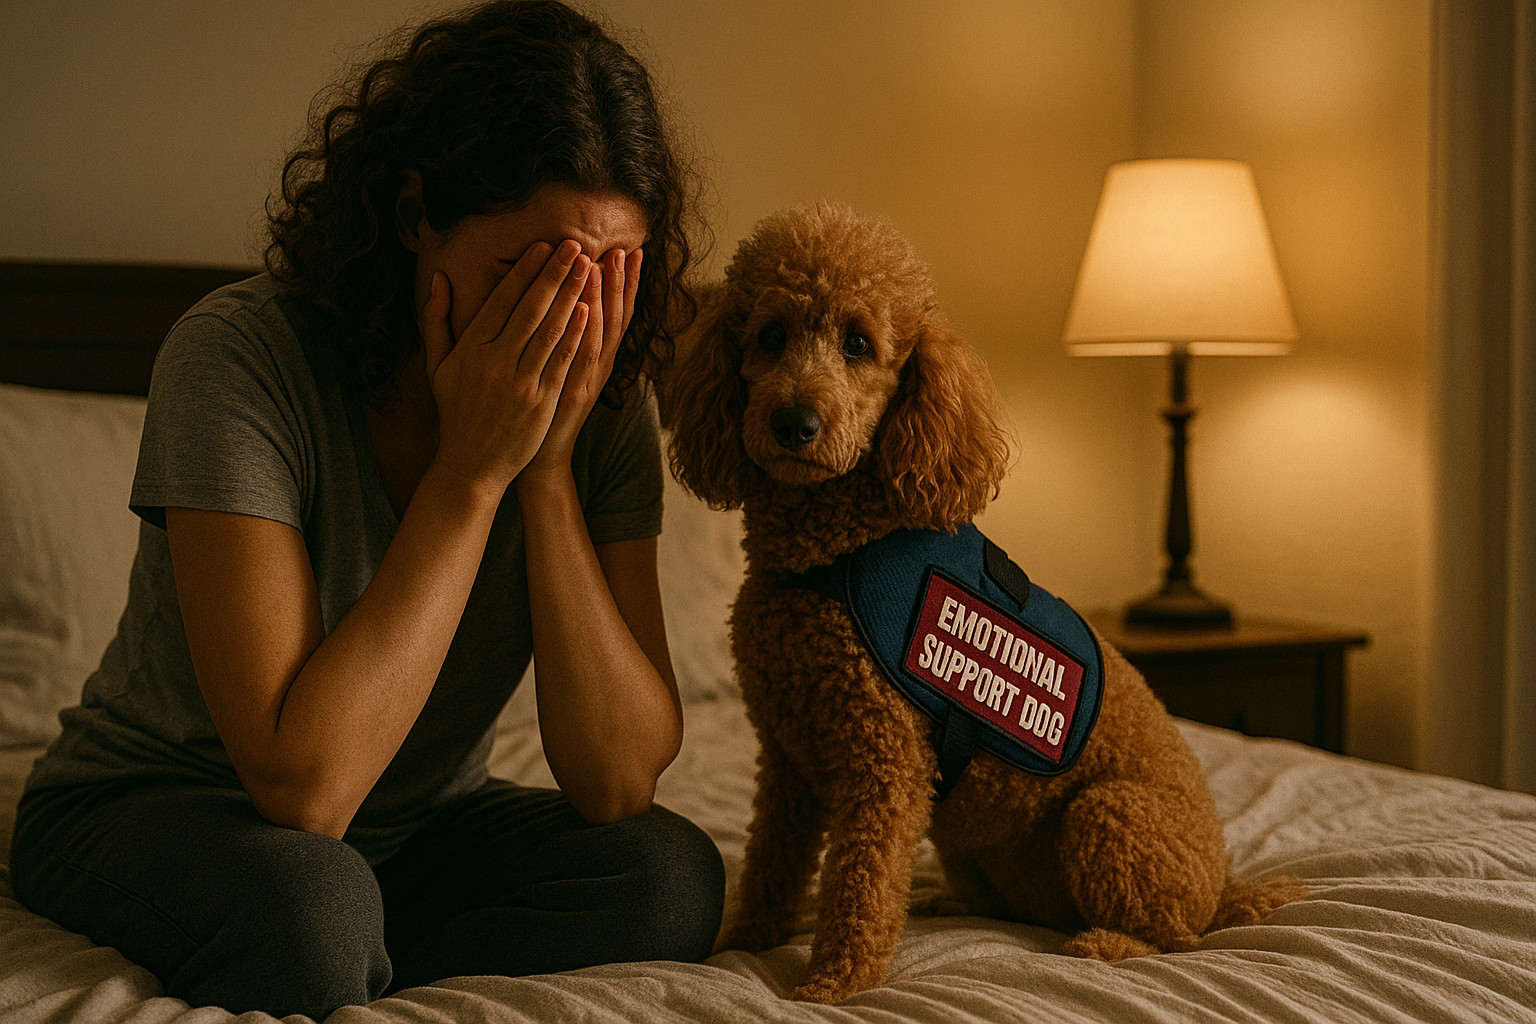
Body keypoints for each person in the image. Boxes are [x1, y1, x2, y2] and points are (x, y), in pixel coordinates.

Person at [8, 2, 724, 1017]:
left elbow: (614, 781)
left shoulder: (607, 402)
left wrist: (547, 471)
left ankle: (356, 957)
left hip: (405, 833)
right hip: (157, 804)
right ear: (414, 216)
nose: (564, 327)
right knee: (312, 895)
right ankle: (340, 943)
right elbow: (302, 790)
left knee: (668, 872)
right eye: (529, 275)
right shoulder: (237, 359)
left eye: (605, 279)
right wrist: (471, 475)